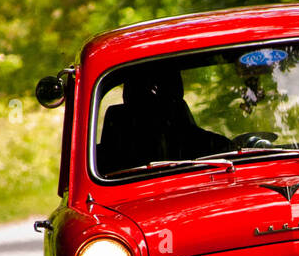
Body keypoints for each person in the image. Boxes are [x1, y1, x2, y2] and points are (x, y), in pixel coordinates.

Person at [97, 63, 229, 174]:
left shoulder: (212, 146)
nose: (154, 108)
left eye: (160, 100)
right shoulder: (105, 162)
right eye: (146, 102)